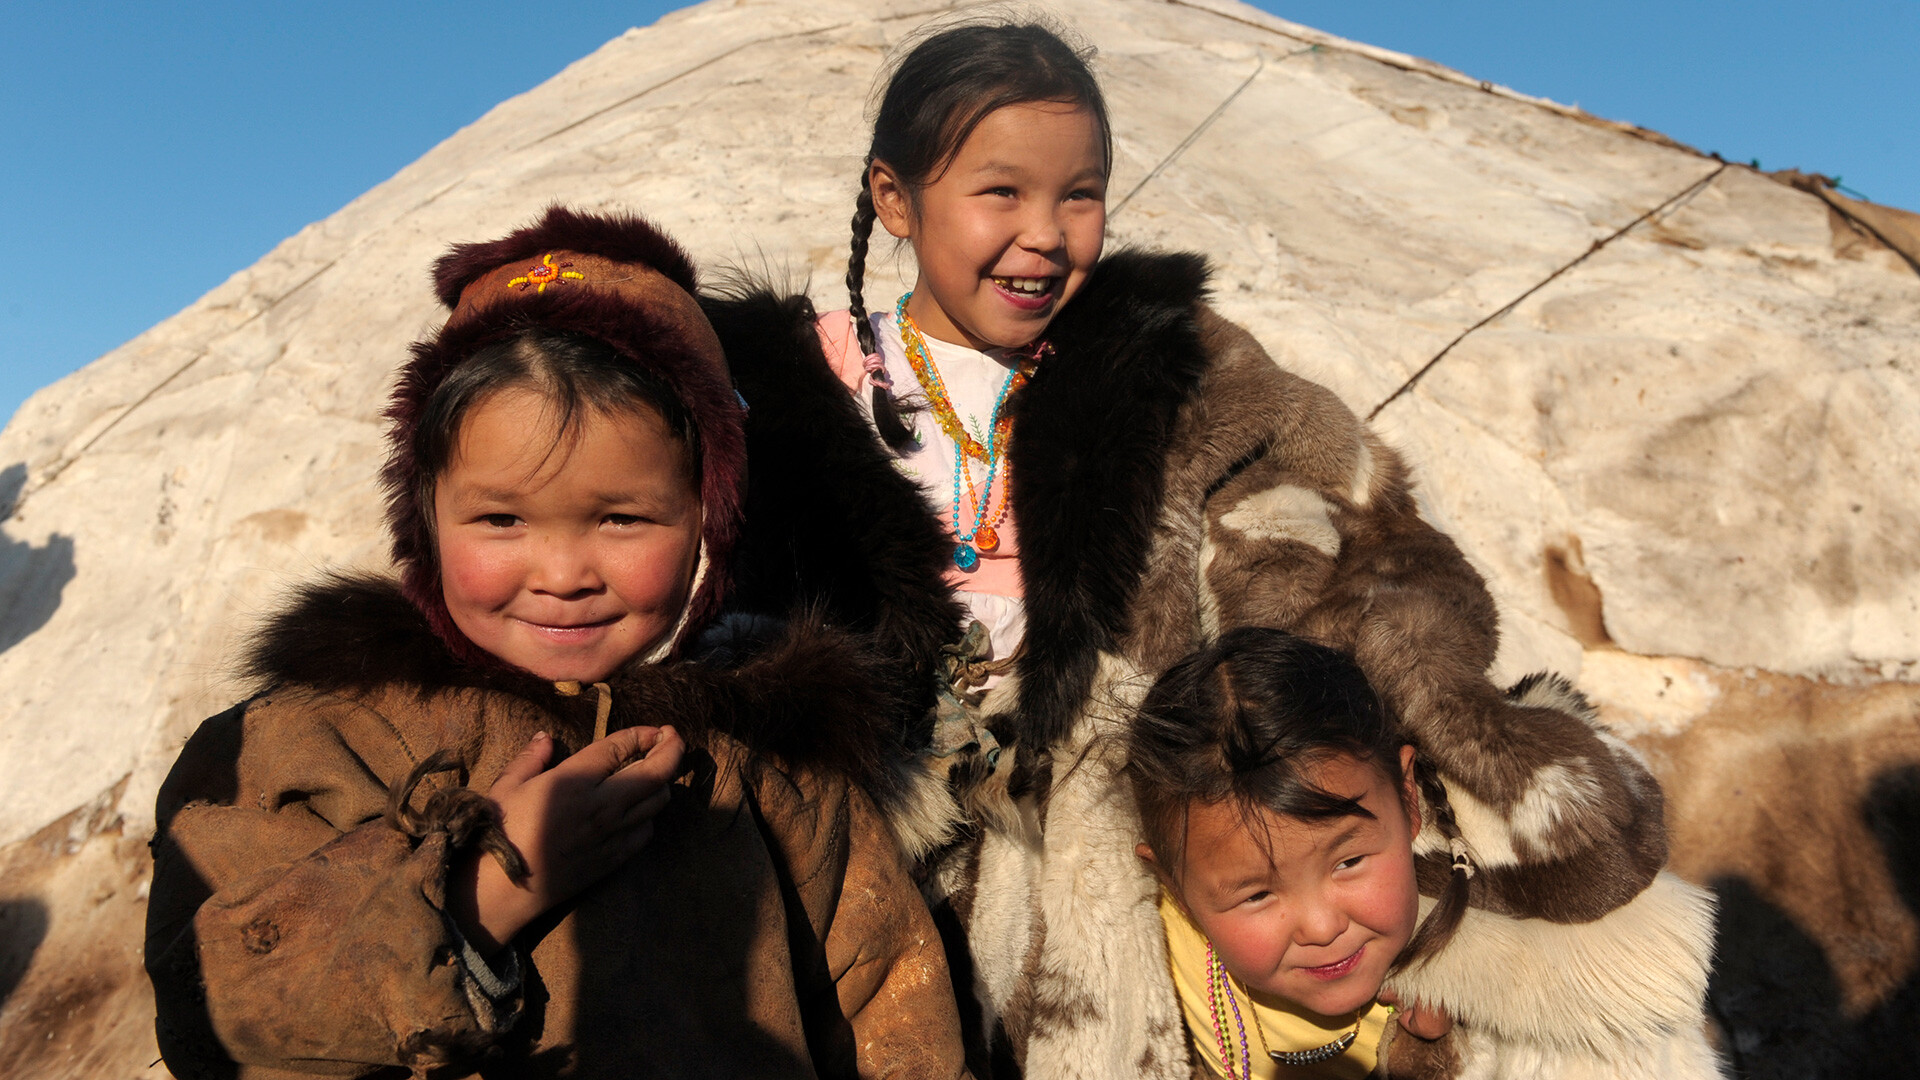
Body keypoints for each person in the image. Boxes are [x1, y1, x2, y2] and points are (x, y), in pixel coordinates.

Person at [703, 16, 1714, 1079]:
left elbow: (1340, 557)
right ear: (896, 198)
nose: (1045, 233)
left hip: (1148, 833)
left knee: (1569, 990)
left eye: (1079, 195)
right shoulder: (779, 393)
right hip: (867, 850)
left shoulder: (1175, 378)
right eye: (1001, 192)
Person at [144, 207, 971, 1079]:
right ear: (424, 513)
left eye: (621, 518)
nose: (563, 573)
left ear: (707, 522)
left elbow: (899, 1027)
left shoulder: (783, 776)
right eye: (501, 519)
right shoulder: (311, 742)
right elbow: (210, 1021)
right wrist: (475, 900)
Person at [1128, 627, 1720, 1079]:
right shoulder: (1144, 978)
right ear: (1173, 884)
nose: (1322, 925)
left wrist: (1444, 1057)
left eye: (1348, 862)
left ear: (1408, 799)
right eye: (1256, 894)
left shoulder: (1507, 955)